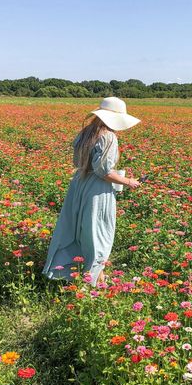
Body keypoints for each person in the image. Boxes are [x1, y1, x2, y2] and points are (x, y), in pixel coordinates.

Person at [42, 96, 141, 286]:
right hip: (97, 189)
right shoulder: (108, 137)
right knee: (99, 233)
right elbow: (104, 172)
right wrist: (129, 181)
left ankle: (89, 274)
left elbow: (78, 163)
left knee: (79, 230)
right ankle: (92, 281)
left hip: (79, 184)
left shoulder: (85, 133)